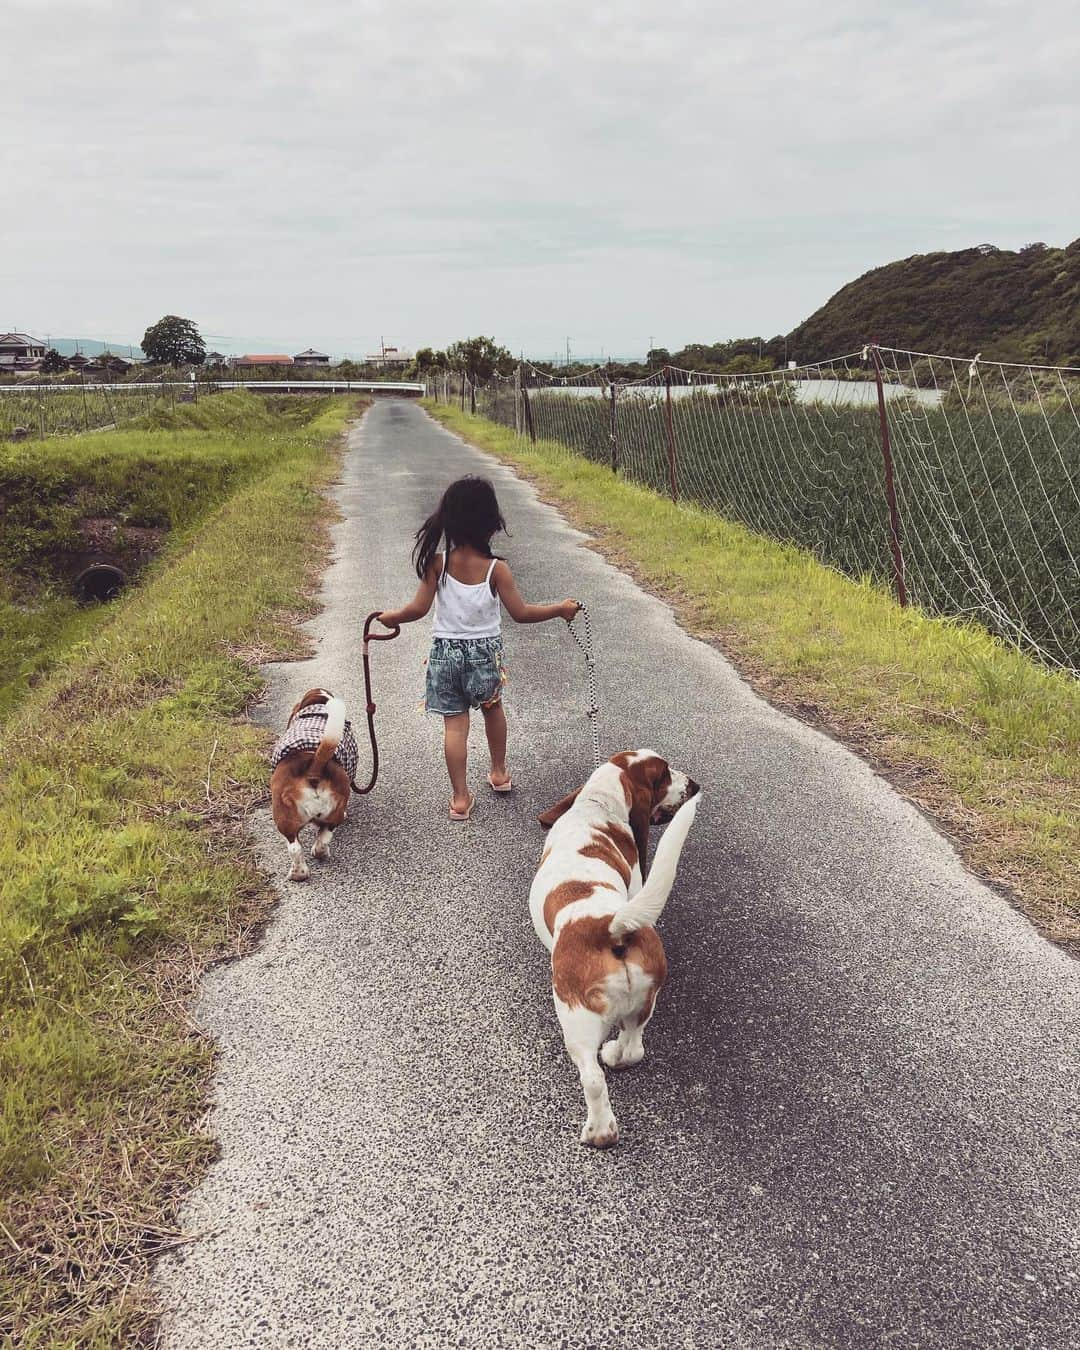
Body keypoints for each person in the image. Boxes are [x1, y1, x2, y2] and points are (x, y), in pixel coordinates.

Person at [378, 476, 580, 820]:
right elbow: (522, 613)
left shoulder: (437, 563)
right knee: (492, 709)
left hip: (445, 655)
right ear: (490, 524)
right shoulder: (496, 569)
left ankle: (460, 799)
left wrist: (391, 617)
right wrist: (560, 610)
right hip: (485, 655)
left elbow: (417, 610)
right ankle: (499, 773)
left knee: (455, 727)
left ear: (451, 521)